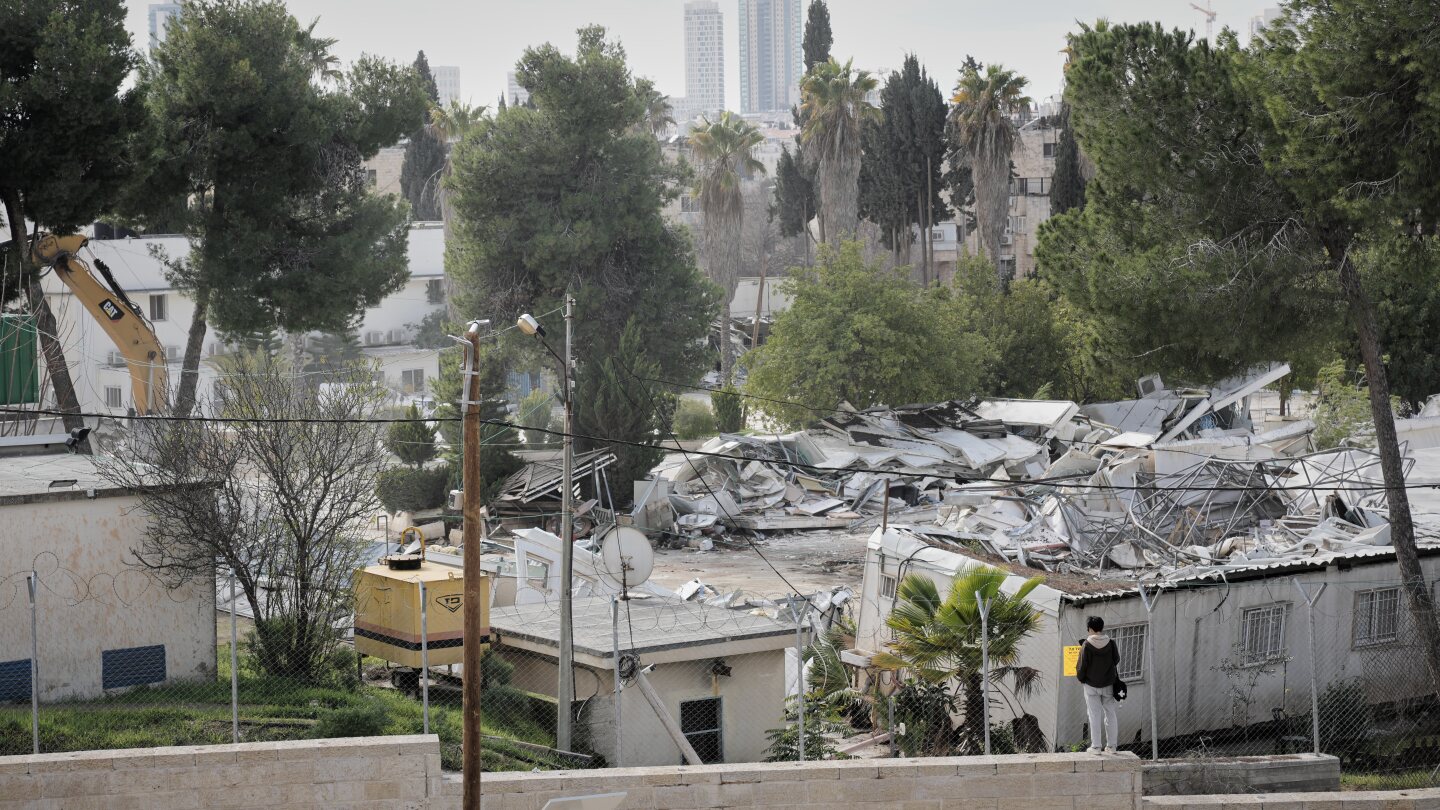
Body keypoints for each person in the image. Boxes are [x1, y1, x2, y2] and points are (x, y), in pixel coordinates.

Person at [1075, 615, 1120, 753]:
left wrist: (1082, 679)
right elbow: (1116, 660)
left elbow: (1081, 666)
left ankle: (1096, 746)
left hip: (1091, 686)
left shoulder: (1086, 645)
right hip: (1108, 684)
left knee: (1094, 715)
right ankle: (1112, 746)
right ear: (1101, 627)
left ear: (1089, 628)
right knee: (1110, 714)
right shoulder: (1111, 643)